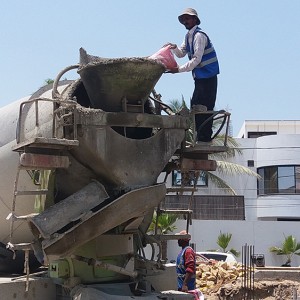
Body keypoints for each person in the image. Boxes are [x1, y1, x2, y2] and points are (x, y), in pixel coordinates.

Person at [165, 8, 220, 142]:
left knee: (204, 107)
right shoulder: (189, 36)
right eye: (184, 19)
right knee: (197, 105)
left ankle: (204, 138)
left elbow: (196, 59)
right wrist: (173, 48)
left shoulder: (199, 36)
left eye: (188, 18)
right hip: (200, 77)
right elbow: (181, 53)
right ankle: (200, 136)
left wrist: (178, 70)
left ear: (195, 19)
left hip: (208, 77)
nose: (185, 21)